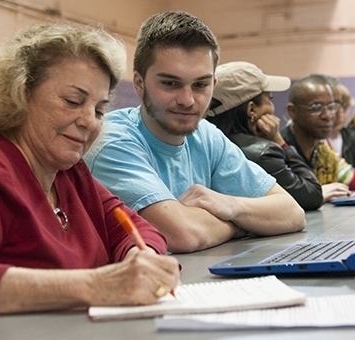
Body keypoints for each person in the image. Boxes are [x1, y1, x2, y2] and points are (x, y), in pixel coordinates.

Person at [0, 22, 180, 340]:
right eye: (73, 101)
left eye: (99, 110)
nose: (89, 121)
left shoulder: (69, 174)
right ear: (19, 95)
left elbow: (136, 228)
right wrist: (99, 285)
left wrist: (141, 260)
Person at [85, 11, 305, 254]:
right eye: (170, 83)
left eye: (200, 85)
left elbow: (291, 212)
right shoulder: (111, 141)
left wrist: (230, 206)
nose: (187, 100)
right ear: (139, 83)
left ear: (213, 85)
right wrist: (241, 225)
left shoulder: (206, 136)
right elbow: (183, 234)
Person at [206, 61, 323, 211]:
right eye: (269, 99)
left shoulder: (205, 146)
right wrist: (279, 142)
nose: (272, 107)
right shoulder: (263, 152)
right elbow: (312, 196)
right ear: (252, 110)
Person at [281, 74, 355, 202]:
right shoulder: (279, 148)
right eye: (316, 108)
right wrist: (315, 194)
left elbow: (350, 176)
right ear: (292, 111)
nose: (327, 115)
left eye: (331, 107)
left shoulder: (323, 150)